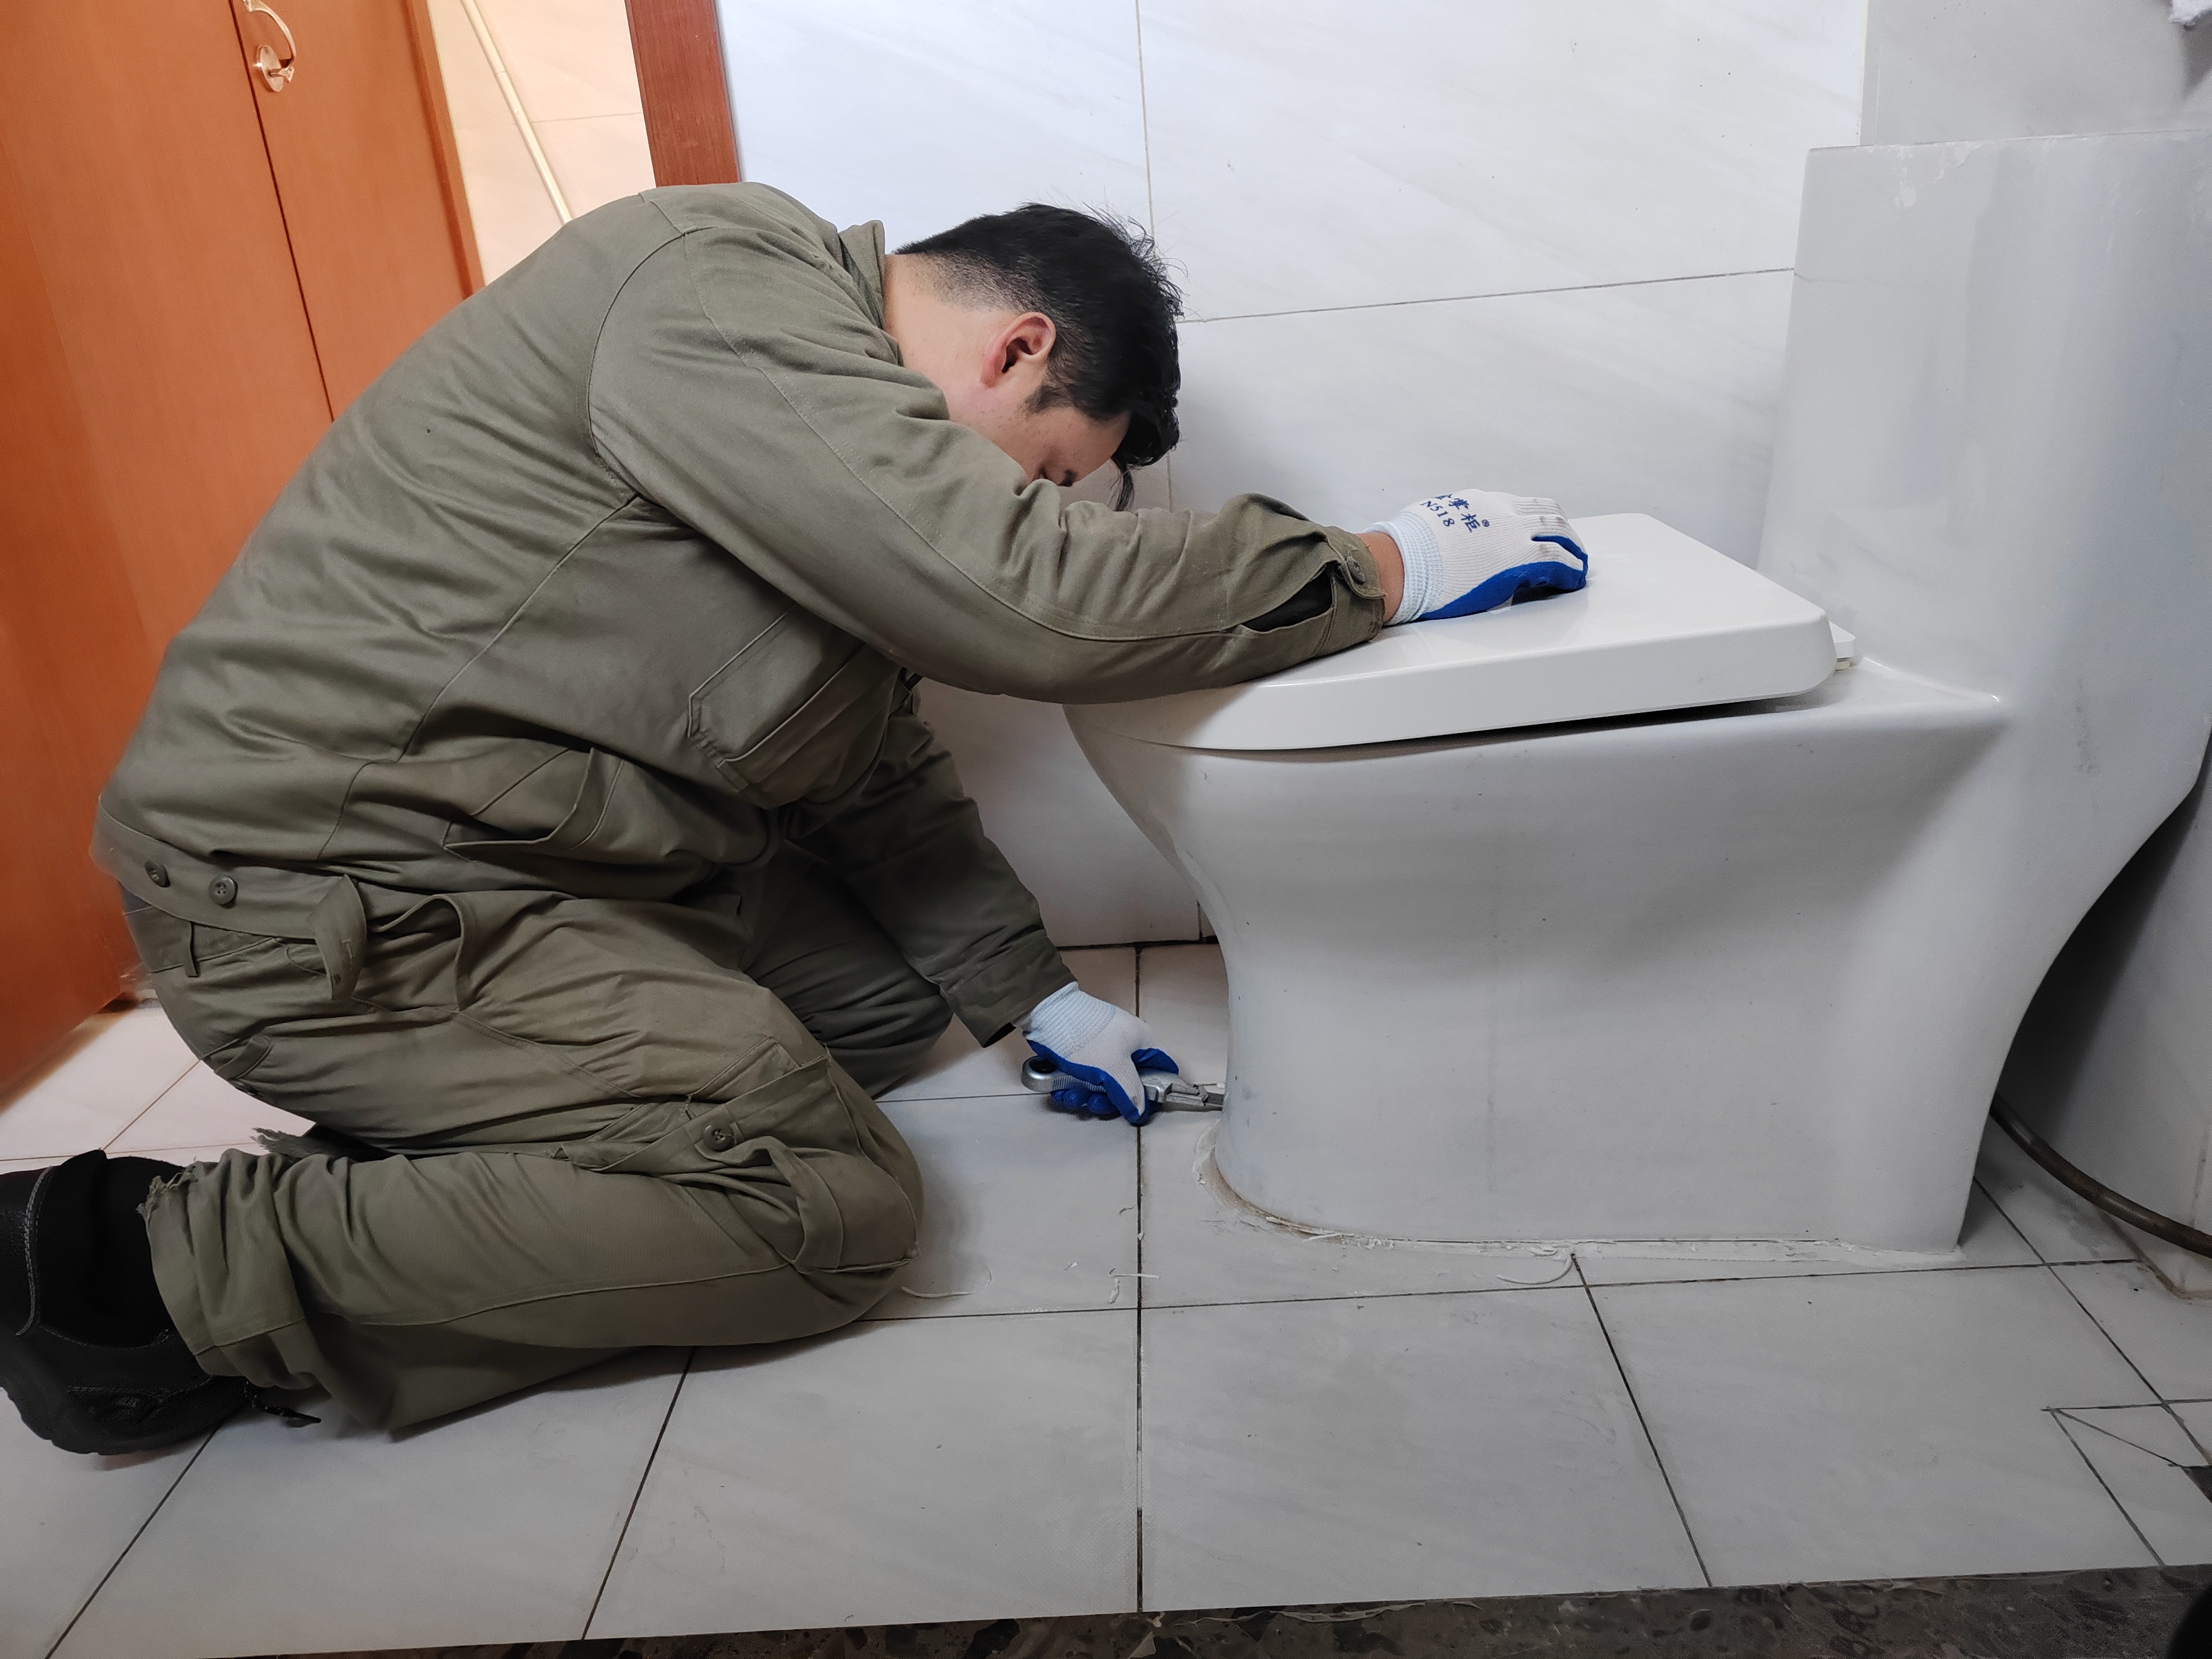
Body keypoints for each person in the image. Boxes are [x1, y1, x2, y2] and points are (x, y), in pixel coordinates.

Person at [0, 188, 1584, 1454]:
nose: (1033, 505)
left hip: (506, 870)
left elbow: (869, 769)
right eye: (1046, 470)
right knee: (819, 1208)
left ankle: (491, 1158)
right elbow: (1027, 598)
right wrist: (1383, 568)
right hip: (325, 896)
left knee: (888, 1013)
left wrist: (1033, 1000)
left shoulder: (809, 450)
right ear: (1017, 347)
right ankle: (136, 1276)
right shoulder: (716, 280)